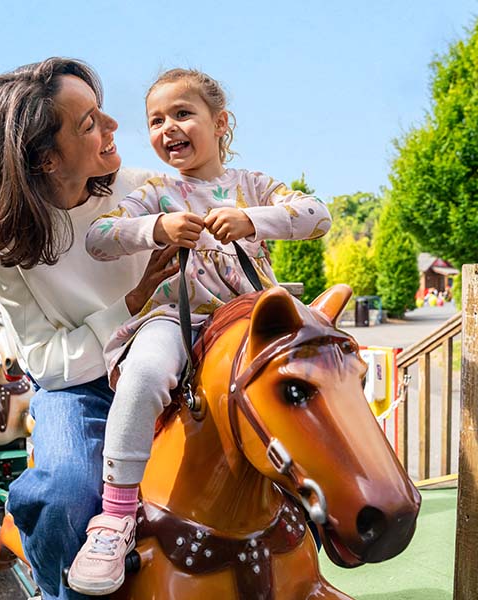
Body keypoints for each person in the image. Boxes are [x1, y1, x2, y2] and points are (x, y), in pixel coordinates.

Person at [67, 68, 332, 595]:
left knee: (324, 373)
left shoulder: (255, 186)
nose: (169, 128)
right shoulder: (157, 190)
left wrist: (253, 220)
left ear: (220, 122)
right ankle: (115, 518)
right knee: (143, 374)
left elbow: (316, 215)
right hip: (178, 318)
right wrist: (154, 228)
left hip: (251, 322)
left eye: (183, 114)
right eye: (156, 120)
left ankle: (329, 487)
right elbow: (99, 237)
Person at [0, 57, 170, 600]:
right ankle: (57, 589)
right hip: (83, 387)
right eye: (89, 122)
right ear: (45, 159)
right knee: (64, 493)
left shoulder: (145, 192)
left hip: (173, 356)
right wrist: (133, 302)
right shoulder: (7, 243)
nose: (113, 126)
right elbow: (47, 365)